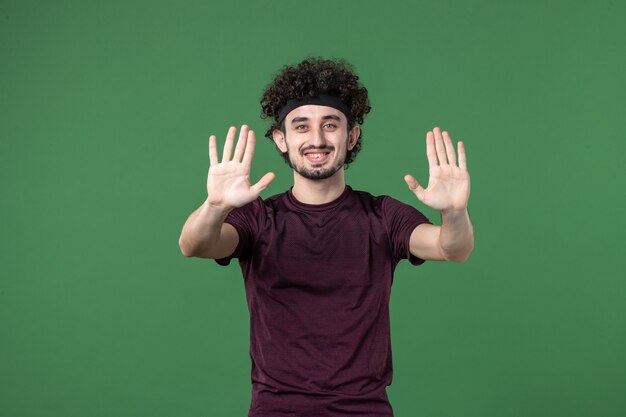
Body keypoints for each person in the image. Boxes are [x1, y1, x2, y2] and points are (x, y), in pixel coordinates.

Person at [178, 57, 474, 417]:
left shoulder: (383, 215)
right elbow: (194, 245)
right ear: (281, 139)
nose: (316, 139)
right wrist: (215, 205)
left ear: (351, 136)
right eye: (300, 127)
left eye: (330, 124)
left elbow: (452, 247)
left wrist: (454, 212)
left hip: (364, 410)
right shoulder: (258, 218)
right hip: (276, 409)